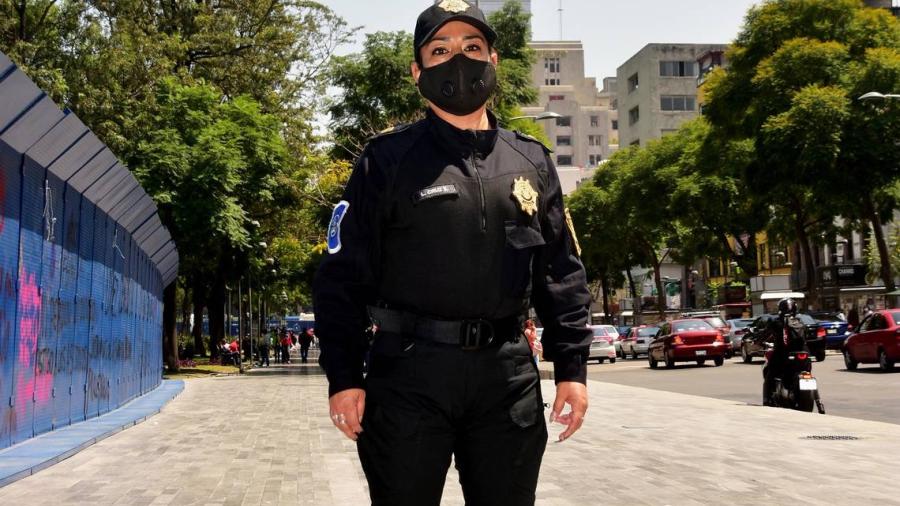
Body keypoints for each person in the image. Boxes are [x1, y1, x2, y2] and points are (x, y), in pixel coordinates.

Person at [312, 3, 592, 505]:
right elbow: (340, 279)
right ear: (417, 71)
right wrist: (345, 377)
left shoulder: (531, 158)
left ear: (494, 61)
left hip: (505, 377)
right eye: (440, 51)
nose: (457, 61)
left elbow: (561, 273)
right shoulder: (386, 159)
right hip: (408, 376)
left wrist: (572, 370)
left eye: (471, 48)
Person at [762, 298, 809, 406]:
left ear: (781, 309)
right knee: (807, 371)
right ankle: (818, 401)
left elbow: (764, 334)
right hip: (803, 354)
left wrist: (757, 340)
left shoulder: (777, 322)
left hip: (783, 355)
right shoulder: (800, 321)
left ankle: (767, 399)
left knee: (770, 373)